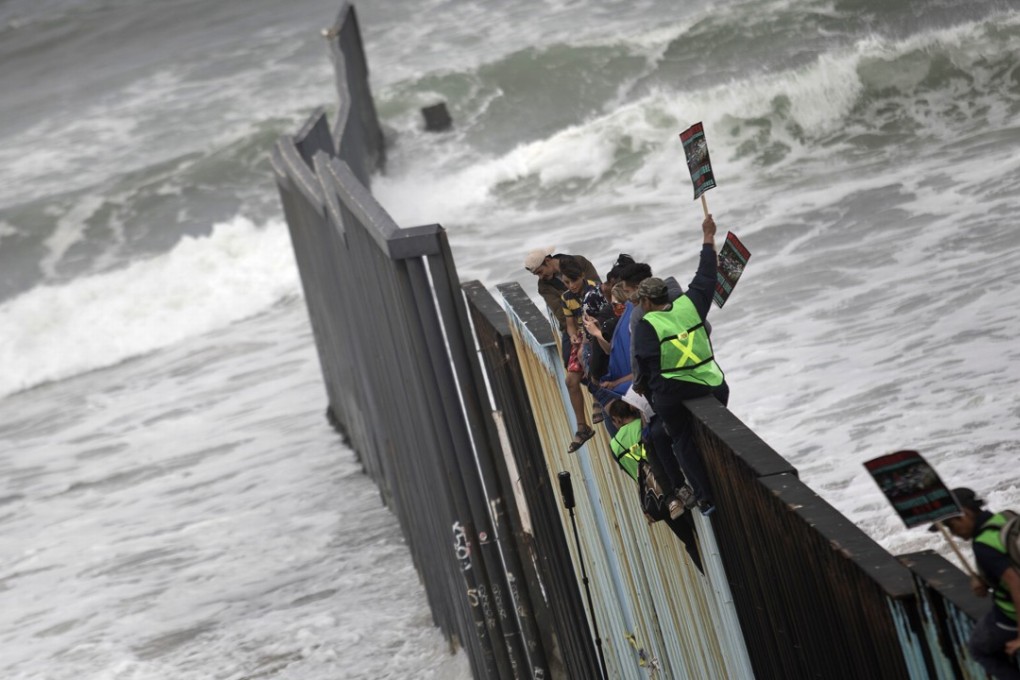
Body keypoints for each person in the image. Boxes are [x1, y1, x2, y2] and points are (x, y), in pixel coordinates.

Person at [632, 214, 729, 515]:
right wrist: (708, 237)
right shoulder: (691, 303)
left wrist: (651, 398)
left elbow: (645, 370)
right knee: (717, 418)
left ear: (647, 302)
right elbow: (707, 274)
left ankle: (706, 498)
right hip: (710, 382)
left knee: (681, 441)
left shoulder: (647, 324)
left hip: (673, 393)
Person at [939, 488, 1020, 679]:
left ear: (964, 515)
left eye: (951, 526)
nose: (954, 533)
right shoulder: (1006, 518)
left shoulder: (983, 544)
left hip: (1010, 617)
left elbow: (1016, 583)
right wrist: (983, 579)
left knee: (978, 648)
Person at [559, 256, 607, 452]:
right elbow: (570, 326)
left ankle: (598, 401)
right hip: (581, 335)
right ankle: (582, 427)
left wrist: (585, 342)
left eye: (573, 281)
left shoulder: (596, 289)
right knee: (570, 381)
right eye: (566, 283)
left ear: (582, 276)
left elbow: (603, 318)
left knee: (587, 359)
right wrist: (573, 338)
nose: (570, 286)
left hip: (597, 333)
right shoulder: (567, 298)